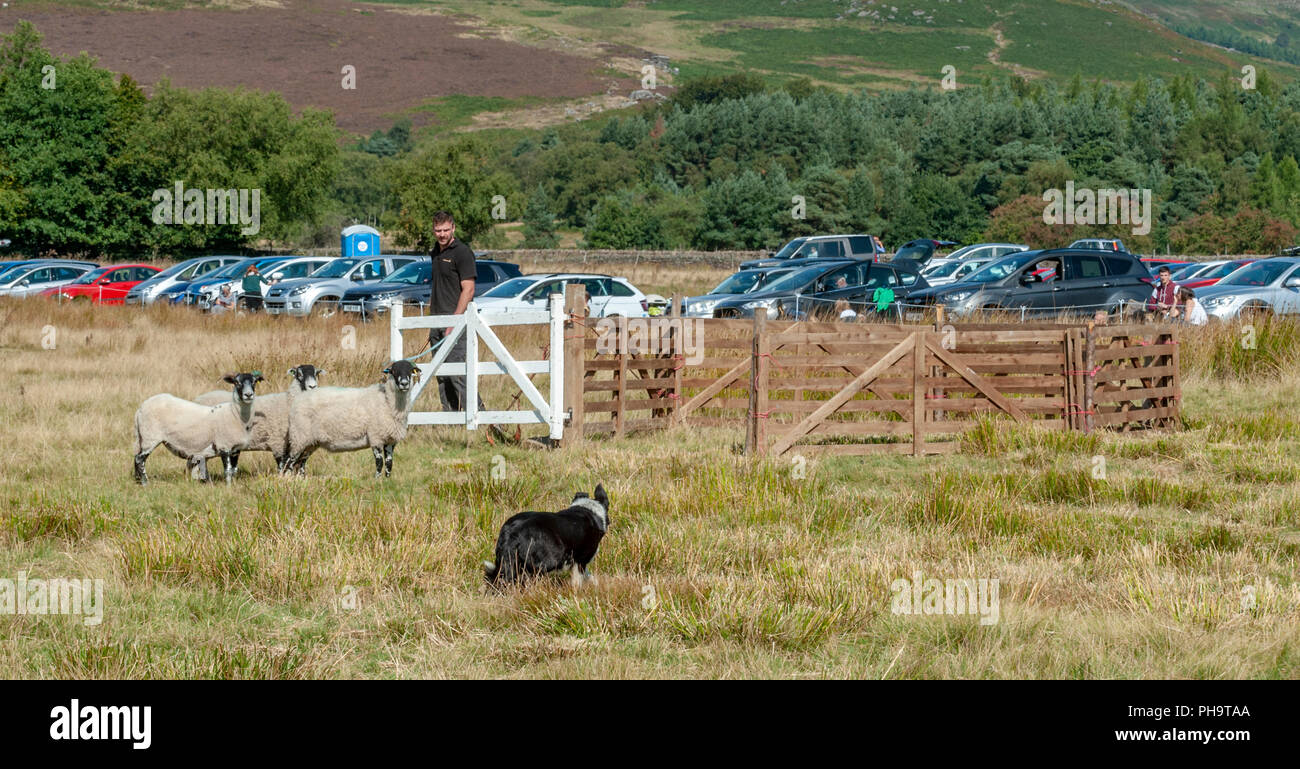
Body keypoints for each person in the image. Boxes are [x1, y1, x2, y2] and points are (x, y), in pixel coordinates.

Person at [427, 210, 489, 417]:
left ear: (453, 228)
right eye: (438, 230)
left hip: (455, 322)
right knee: (442, 376)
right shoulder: (435, 252)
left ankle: (479, 417)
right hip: (436, 321)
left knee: (458, 374)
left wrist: (454, 320)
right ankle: (451, 419)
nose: (442, 234)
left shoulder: (462, 253)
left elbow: (468, 289)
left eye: (445, 230)